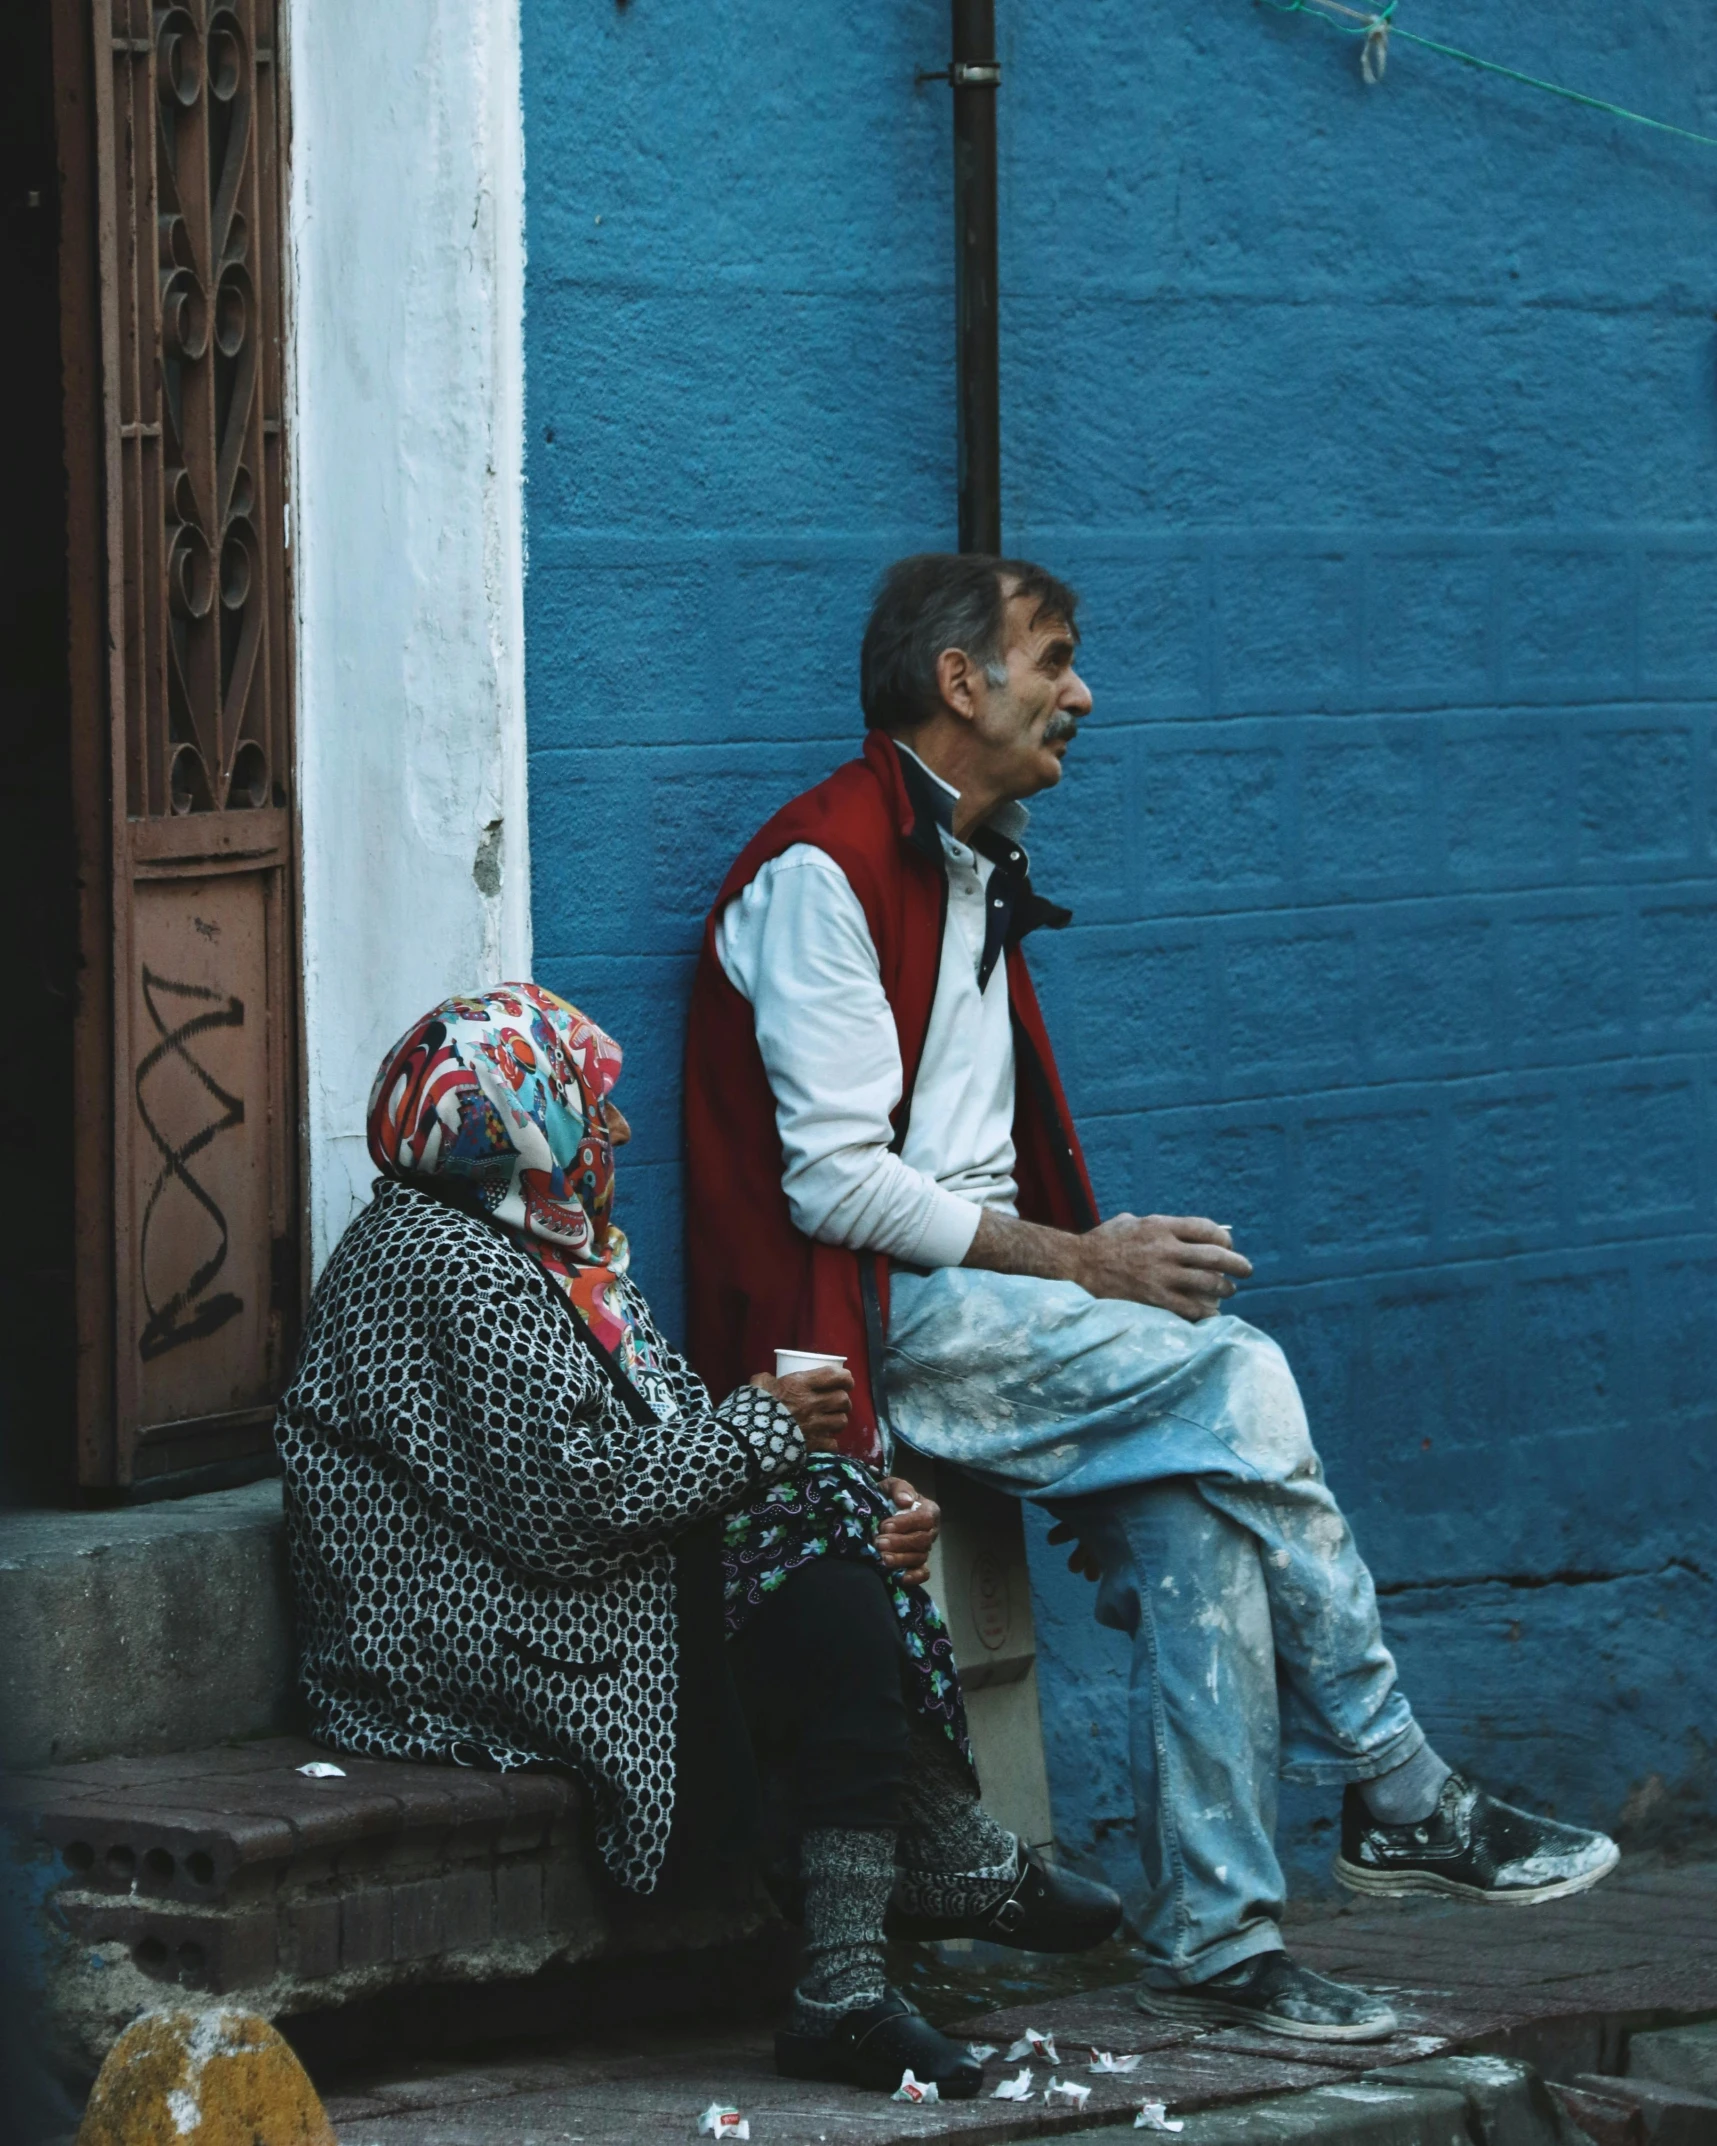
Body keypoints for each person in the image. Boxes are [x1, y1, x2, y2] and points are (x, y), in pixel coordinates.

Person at [684, 554, 1621, 2044]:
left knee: (1203, 1521)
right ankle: (1398, 1779)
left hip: (982, 1311)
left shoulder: (965, 857)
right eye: (1052, 658)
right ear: (958, 682)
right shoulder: (823, 869)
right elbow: (834, 1188)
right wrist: (1086, 1260)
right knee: (1235, 1374)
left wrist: (1076, 1268)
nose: (1082, 691)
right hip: (872, 1328)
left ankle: (1226, 1943)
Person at [275, 982, 1115, 2098]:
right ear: (518, 1116)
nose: (614, 1127)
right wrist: (776, 1429)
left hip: (543, 1592)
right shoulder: (447, 1264)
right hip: (441, 1643)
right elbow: (572, 1507)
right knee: (820, 1556)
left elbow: (670, 1455)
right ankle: (908, 1908)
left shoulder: (544, 1248)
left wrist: (856, 1497)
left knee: (833, 1545)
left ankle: (865, 1972)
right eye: (589, 1100)